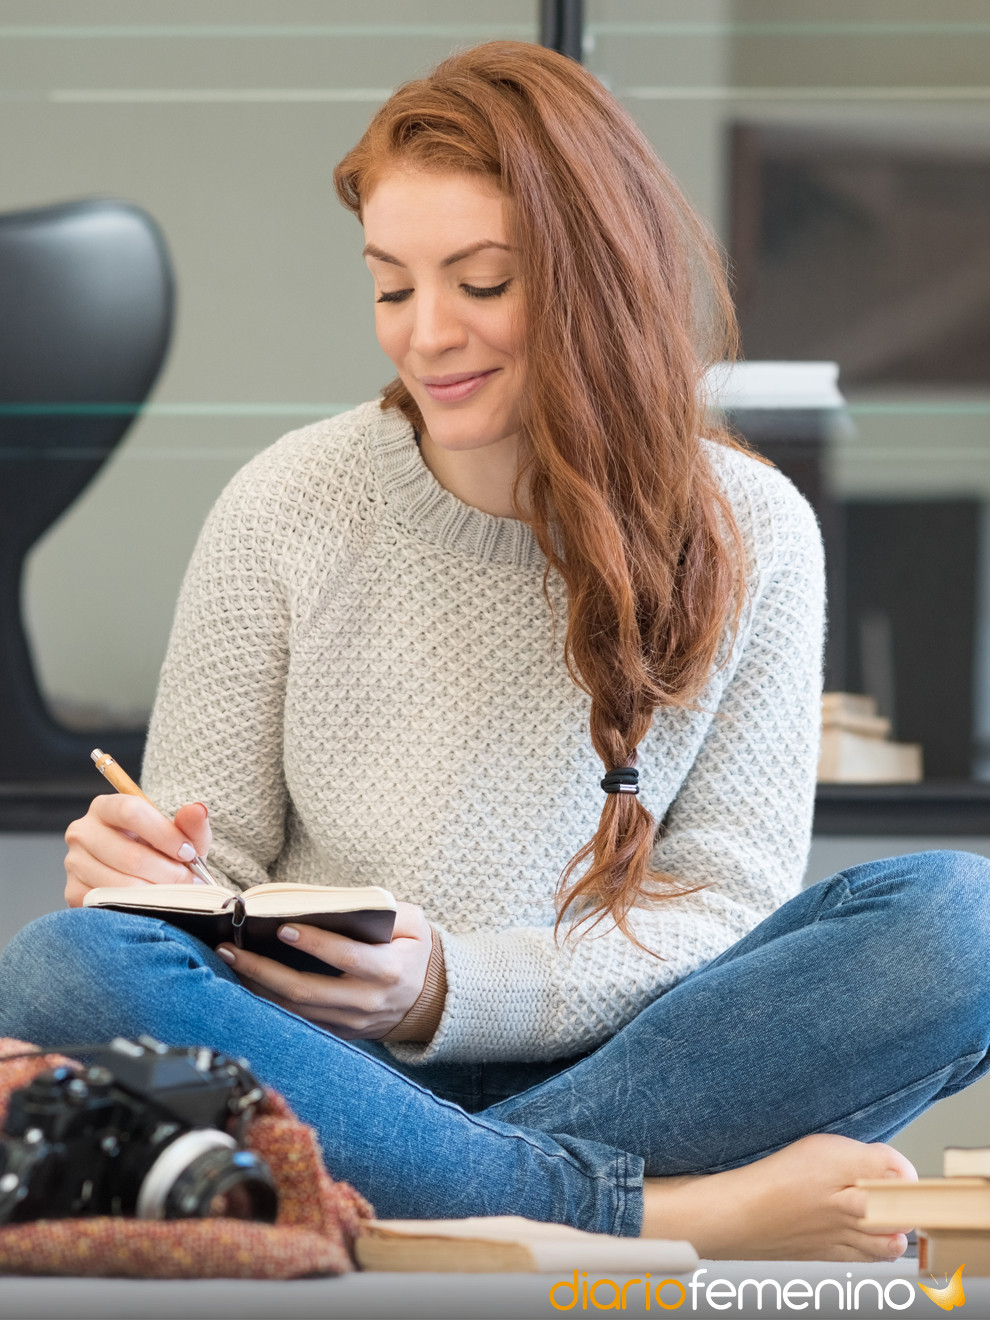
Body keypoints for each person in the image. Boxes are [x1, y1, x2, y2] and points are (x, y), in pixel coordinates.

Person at [2, 41, 988, 1261]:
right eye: (390, 286)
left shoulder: (756, 532)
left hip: (642, 1071)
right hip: (327, 1068)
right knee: (68, 964)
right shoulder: (285, 504)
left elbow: (725, 910)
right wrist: (151, 875)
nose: (425, 337)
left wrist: (445, 987)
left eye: (478, 282)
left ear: (596, 280)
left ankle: (441, 1199)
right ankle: (629, 1211)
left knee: (966, 919)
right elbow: (221, 868)